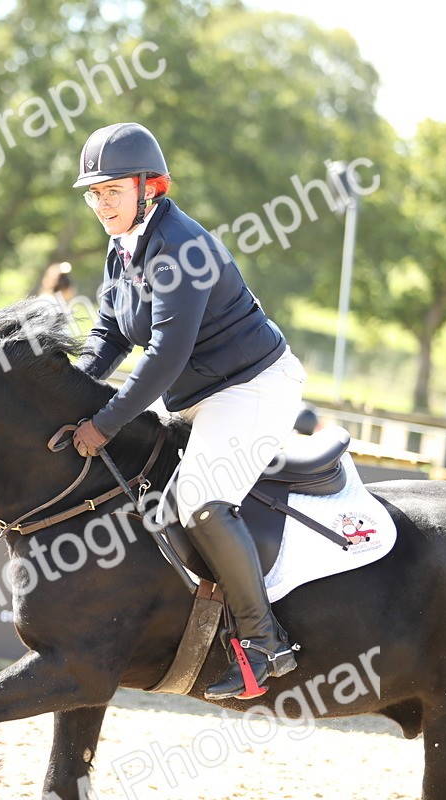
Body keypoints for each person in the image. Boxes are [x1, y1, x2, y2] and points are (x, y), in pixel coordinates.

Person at [69, 122, 306, 701]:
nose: (101, 204)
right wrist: (73, 392)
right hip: (199, 394)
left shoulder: (180, 246)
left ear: (151, 187)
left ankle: (263, 642)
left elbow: (165, 355)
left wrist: (103, 422)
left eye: (113, 191)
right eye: (94, 193)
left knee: (200, 499)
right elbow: (108, 333)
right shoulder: (123, 245)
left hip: (251, 387)